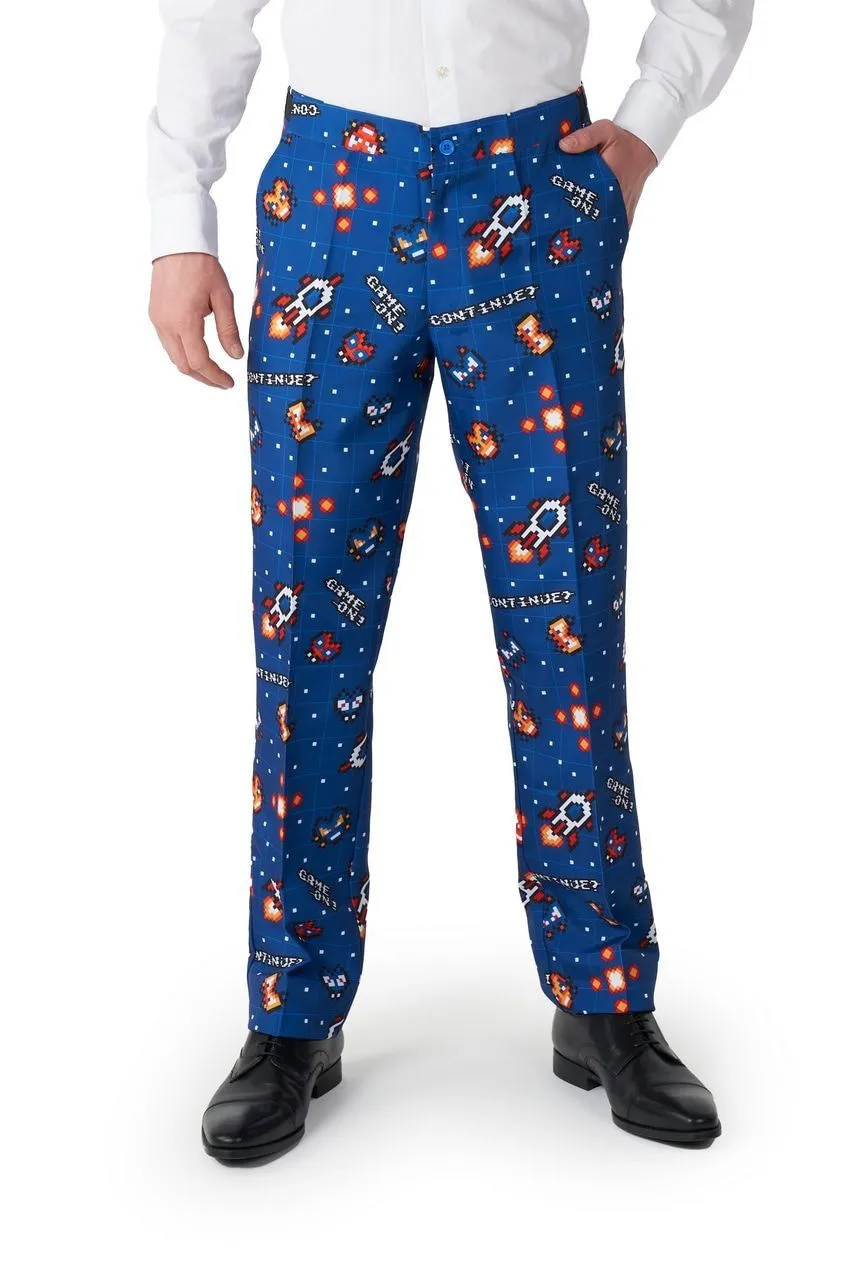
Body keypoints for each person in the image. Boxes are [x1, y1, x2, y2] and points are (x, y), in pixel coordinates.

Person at [148, 0, 754, 1163]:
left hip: (537, 185)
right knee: (304, 626)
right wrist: (180, 218)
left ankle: (602, 988)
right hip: (332, 194)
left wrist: (646, 125)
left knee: (569, 617)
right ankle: (292, 1007)